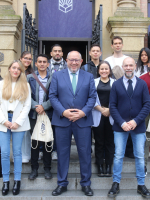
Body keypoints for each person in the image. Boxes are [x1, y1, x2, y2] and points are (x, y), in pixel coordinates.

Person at [49, 51, 97, 196]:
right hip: (62, 120)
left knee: (84, 153)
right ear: (66, 60)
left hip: (82, 120)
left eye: (77, 60)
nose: (74, 62)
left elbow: (92, 97)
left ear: (82, 61)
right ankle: (62, 183)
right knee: (62, 153)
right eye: (71, 60)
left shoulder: (88, 76)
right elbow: (52, 96)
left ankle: (86, 183)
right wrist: (64, 112)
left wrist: (83, 113)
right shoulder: (57, 75)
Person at [108, 57, 150, 198]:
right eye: (125, 65)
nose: (128, 68)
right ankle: (116, 183)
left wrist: (135, 121)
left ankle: (141, 185)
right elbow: (112, 106)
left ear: (135, 66)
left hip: (138, 126)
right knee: (118, 155)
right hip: (120, 126)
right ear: (122, 66)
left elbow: (146, 105)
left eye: (130, 65)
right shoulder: (116, 85)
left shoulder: (142, 84)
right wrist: (122, 123)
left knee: (139, 156)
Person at [0, 60, 31, 196]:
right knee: (4, 152)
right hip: (3, 121)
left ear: (21, 71)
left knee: (17, 152)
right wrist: (4, 121)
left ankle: (17, 181)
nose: (16, 70)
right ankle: (5, 182)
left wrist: (18, 122)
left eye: (18, 69)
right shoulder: (0, 84)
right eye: (14, 68)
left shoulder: (25, 85)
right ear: (9, 69)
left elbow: (27, 106)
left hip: (18, 122)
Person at [27, 54, 54, 180]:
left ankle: (47, 168)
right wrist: (35, 106)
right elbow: (25, 95)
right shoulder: (29, 78)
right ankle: (34, 169)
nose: (42, 64)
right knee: (35, 142)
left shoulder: (54, 77)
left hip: (48, 114)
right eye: (40, 62)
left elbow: (56, 95)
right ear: (36, 64)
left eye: (44, 62)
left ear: (48, 64)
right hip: (34, 114)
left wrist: (44, 106)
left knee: (48, 141)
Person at [92, 61, 115, 177]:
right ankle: (100, 165)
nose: (104, 71)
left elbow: (118, 99)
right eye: (102, 69)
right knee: (99, 141)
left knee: (110, 142)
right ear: (98, 70)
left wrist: (110, 110)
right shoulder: (94, 82)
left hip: (111, 115)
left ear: (109, 70)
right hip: (98, 114)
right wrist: (102, 110)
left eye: (106, 69)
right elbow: (91, 98)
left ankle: (109, 165)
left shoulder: (115, 83)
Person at [48, 44, 68, 160]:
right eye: (55, 51)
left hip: (61, 103)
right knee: (45, 127)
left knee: (57, 129)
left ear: (62, 53)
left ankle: (55, 150)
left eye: (59, 51)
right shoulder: (45, 65)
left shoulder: (67, 66)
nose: (57, 53)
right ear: (51, 53)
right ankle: (43, 149)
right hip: (47, 101)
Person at [19, 51, 33, 163]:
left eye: (29, 59)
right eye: (25, 58)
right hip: (16, 105)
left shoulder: (32, 73)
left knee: (27, 131)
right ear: (20, 58)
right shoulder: (15, 70)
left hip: (28, 105)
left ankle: (26, 154)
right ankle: (18, 154)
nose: (27, 61)